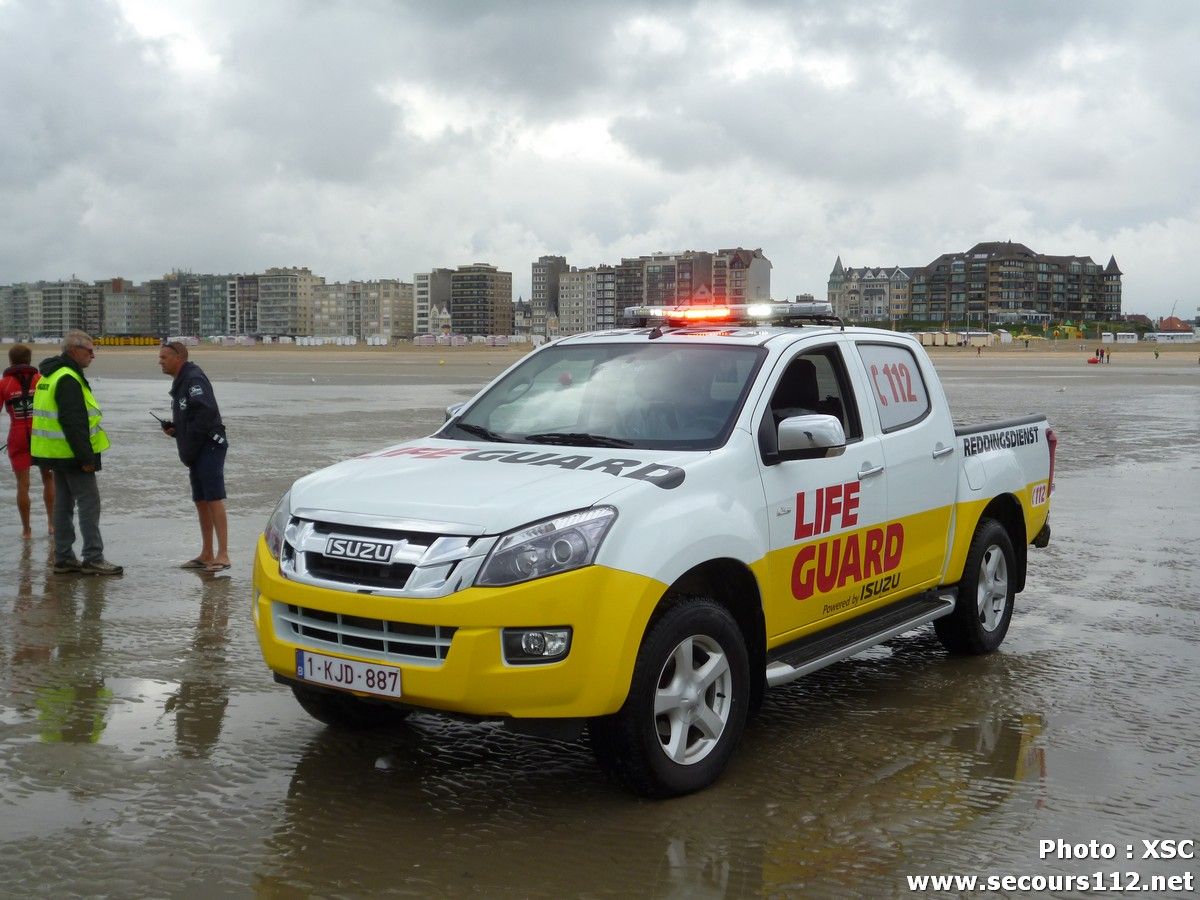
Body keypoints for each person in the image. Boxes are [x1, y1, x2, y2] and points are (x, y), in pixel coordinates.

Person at [31, 331, 122, 575]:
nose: (93, 355)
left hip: (53, 453)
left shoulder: (48, 375)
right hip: (71, 453)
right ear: (73, 351)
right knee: (88, 503)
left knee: (63, 503)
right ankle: (93, 556)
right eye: (89, 350)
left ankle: (63, 557)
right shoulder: (68, 378)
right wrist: (86, 459)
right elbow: (73, 422)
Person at [157, 342, 230, 572]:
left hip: (209, 446)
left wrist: (192, 438)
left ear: (178, 358)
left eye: (164, 357)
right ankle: (207, 553)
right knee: (200, 499)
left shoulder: (193, 379)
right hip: (195, 449)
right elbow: (191, 417)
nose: (160, 361)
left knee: (213, 497)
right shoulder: (181, 382)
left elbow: (206, 413)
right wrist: (177, 430)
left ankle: (223, 554)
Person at [1, 344, 55, 538]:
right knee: (49, 479)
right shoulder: (41, 380)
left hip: (17, 436)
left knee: (22, 485)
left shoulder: (4, 383)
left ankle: (26, 530)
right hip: (41, 435)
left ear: (11, 361)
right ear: (30, 360)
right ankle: (51, 524)